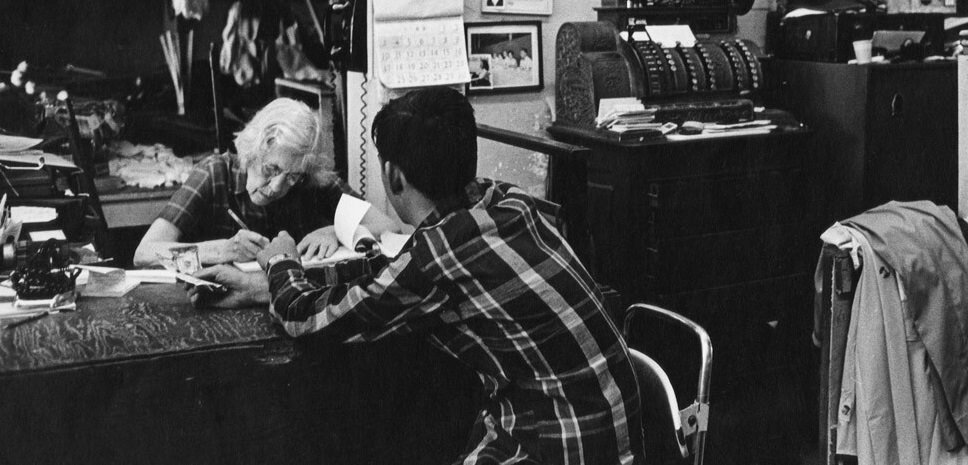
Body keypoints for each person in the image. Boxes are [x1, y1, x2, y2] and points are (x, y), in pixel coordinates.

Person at [191, 87, 644, 465]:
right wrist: (260, 288)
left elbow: (302, 320)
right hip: (623, 433)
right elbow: (399, 273)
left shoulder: (437, 257)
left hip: (564, 444)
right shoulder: (508, 202)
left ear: (391, 175)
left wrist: (280, 261)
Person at [134, 98, 349, 267]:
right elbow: (144, 253)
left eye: (291, 177)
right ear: (252, 150)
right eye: (270, 169)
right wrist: (222, 251)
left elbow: (382, 227)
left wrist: (335, 231)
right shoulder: (214, 173)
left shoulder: (308, 176)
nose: (276, 187)